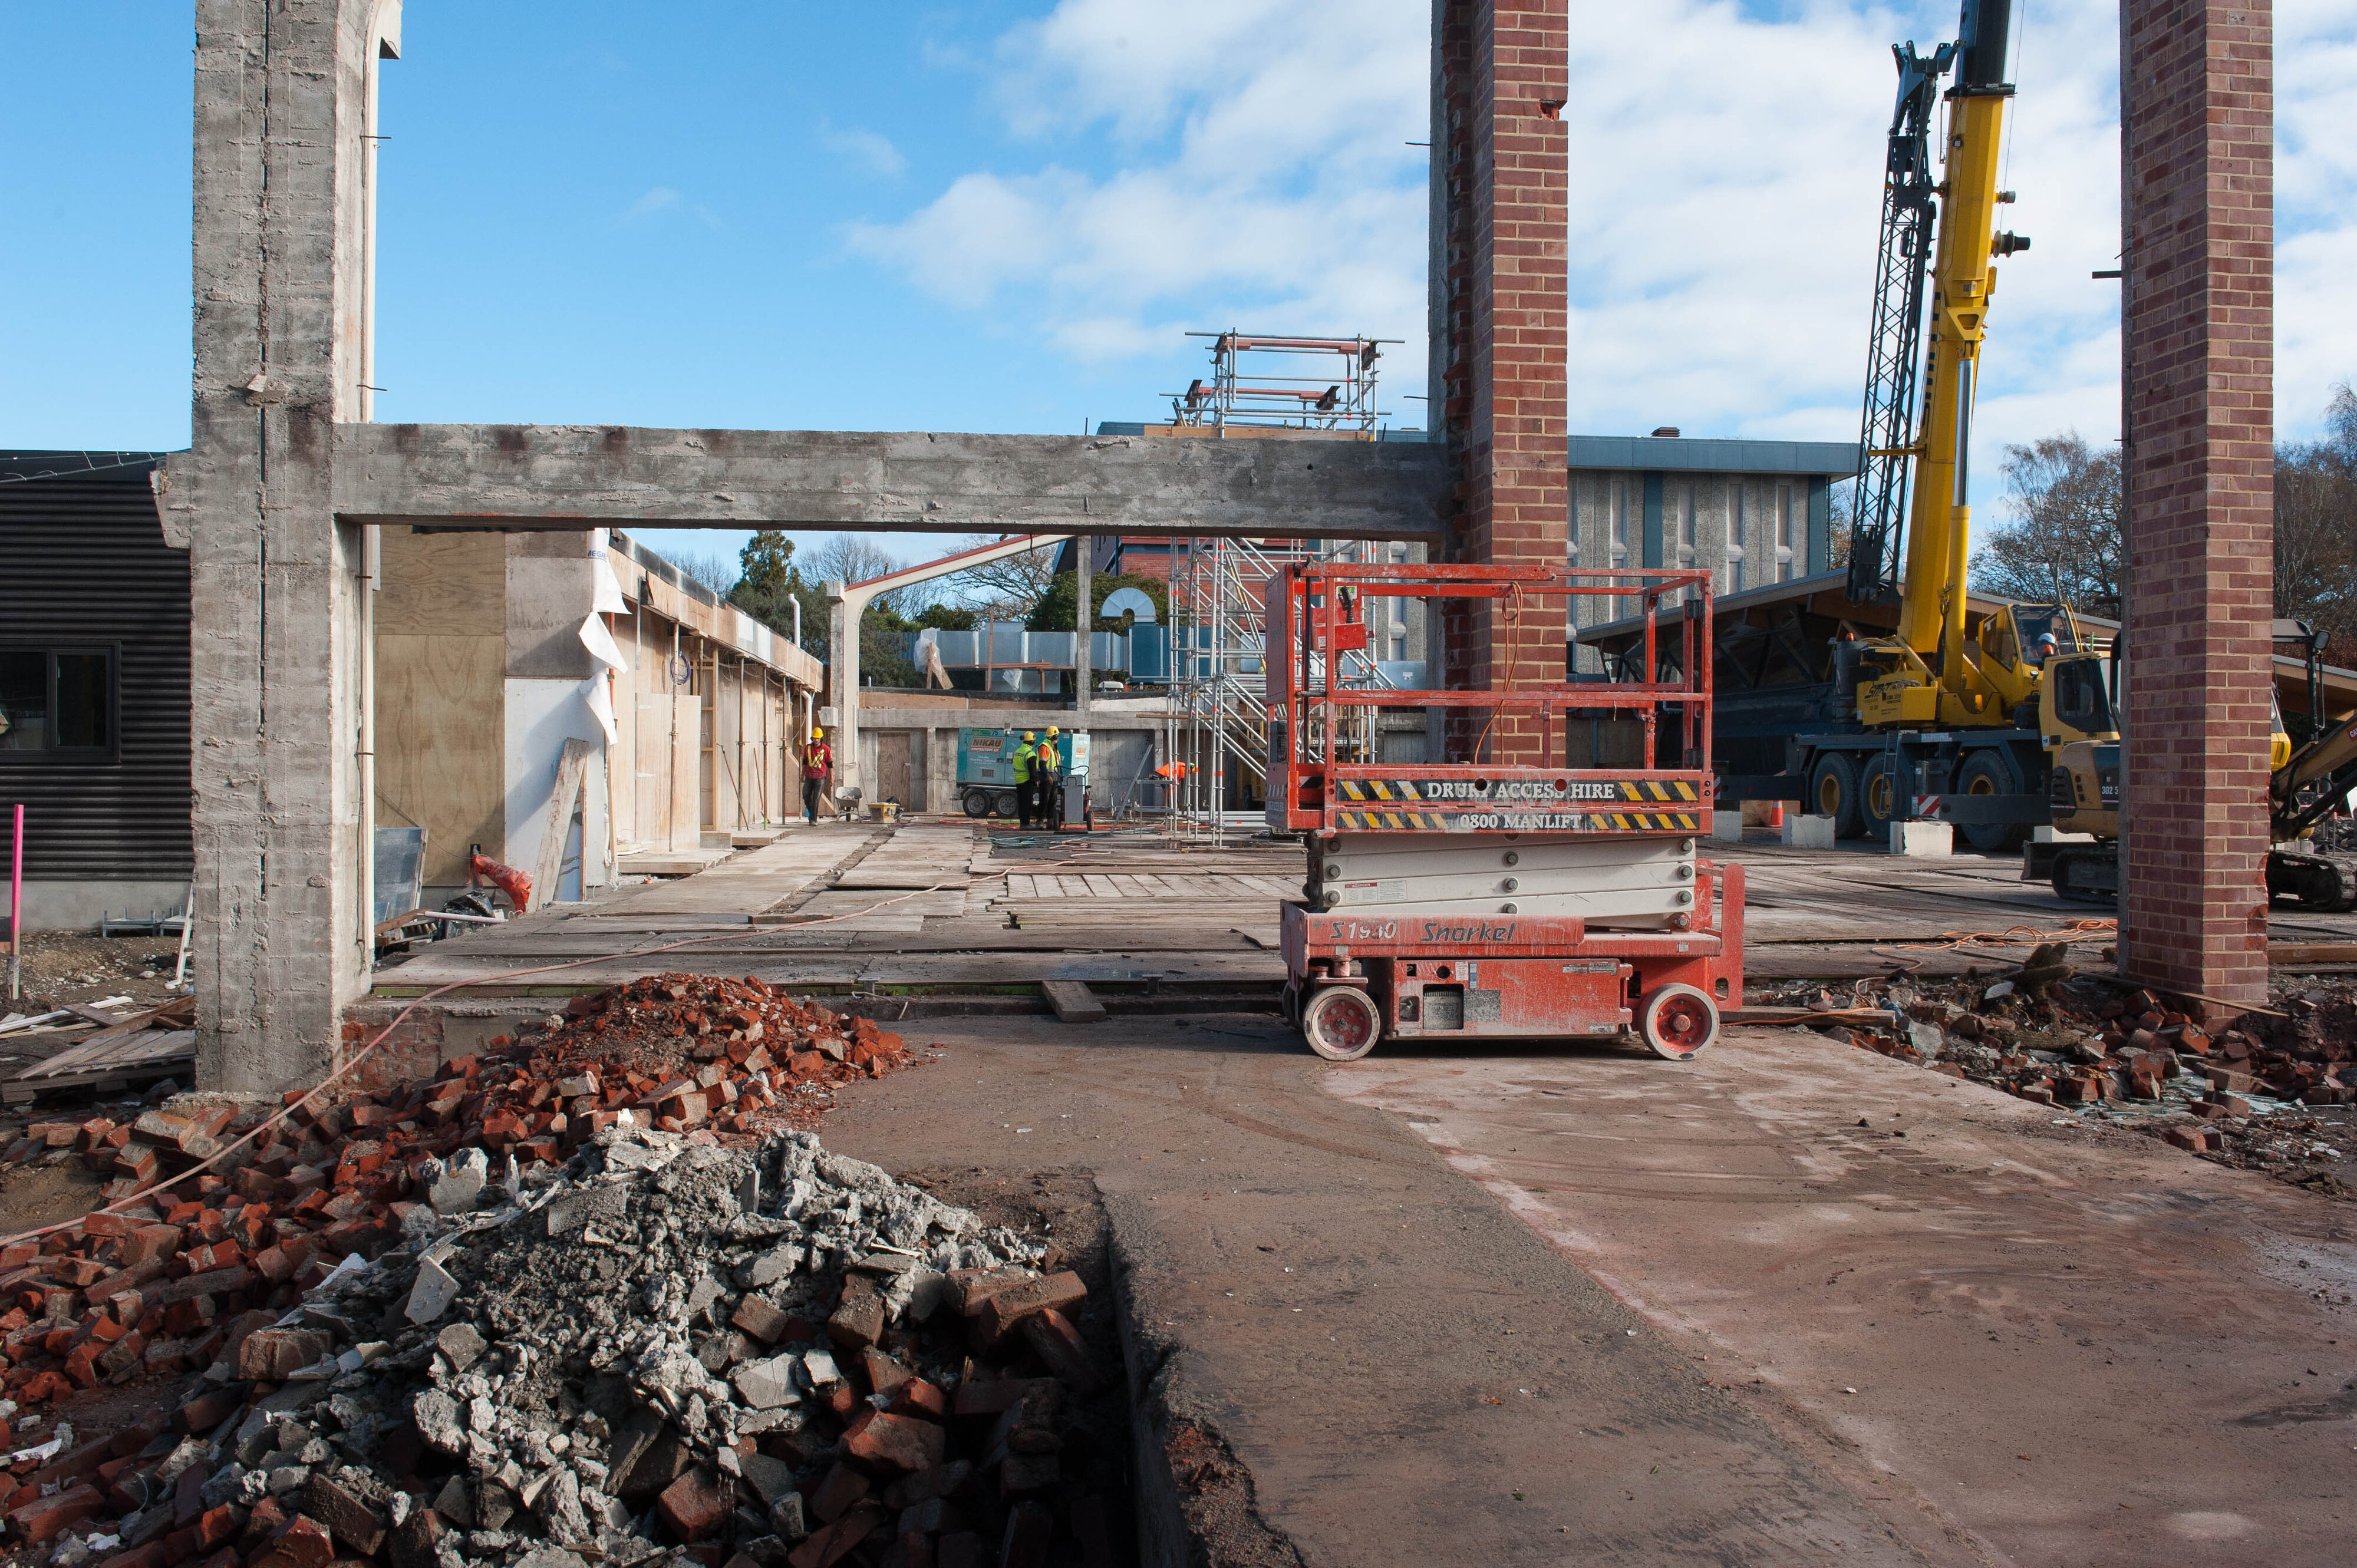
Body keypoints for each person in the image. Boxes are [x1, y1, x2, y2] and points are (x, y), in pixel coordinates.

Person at [802, 727, 833, 825]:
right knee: (806, 795)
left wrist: (832, 778)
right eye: (815, 738)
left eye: (818, 738)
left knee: (816, 798)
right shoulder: (808, 748)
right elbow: (805, 762)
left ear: (821, 739)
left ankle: (813, 819)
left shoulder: (826, 749)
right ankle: (813, 814)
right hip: (809, 776)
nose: (816, 740)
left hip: (820, 777)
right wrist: (802, 774)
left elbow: (830, 764)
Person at [1039, 725, 1066, 833]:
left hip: (1054, 778)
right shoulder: (1045, 747)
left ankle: (1050, 823)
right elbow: (1042, 764)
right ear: (1052, 736)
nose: (1058, 738)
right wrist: (1047, 776)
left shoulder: (1053, 748)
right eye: (1056, 736)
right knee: (1044, 800)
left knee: (1053, 801)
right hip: (1047, 779)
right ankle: (1040, 822)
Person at [1011, 730, 1039, 829]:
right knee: (1027, 803)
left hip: (1018, 781)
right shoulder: (1030, 754)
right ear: (1032, 742)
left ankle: (1022, 823)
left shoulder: (1017, 752)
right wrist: (1036, 781)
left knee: (1022, 803)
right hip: (1027, 782)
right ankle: (1026, 824)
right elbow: (1033, 771)